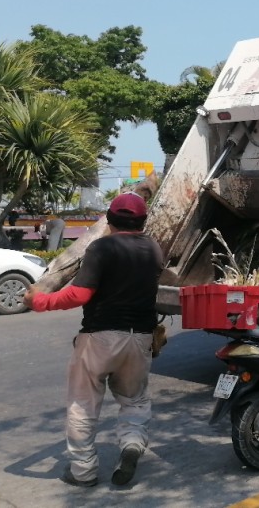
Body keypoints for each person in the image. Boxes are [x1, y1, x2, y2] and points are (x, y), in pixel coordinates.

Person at [23, 192, 163, 488]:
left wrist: (41, 302)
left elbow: (79, 294)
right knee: (134, 401)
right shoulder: (154, 249)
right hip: (139, 338)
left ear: (109, 220)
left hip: (100, 337)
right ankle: (132, 445)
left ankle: (83, 471)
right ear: (142, 221)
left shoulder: (101, 248)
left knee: (83, 405)